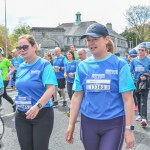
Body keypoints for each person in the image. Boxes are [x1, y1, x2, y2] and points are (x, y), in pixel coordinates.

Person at [66, 22, 135, 150]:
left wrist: (129, 129)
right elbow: (77, 96)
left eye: (95, 39)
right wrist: (71, 124)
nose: (91, 43)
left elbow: (128, 99)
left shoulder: (120, 64)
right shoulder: (82, 66)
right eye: (88, 40)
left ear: (106, 40)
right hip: (88, 123)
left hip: (114, 123)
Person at [15, 34, 57, 150]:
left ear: (34, 47)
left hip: (42, 114)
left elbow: (51, 88)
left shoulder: (44, 64)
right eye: (20, 48)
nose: (22, 50)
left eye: (25, 47)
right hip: (22, 115)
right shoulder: (21, 67)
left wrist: (37, 106)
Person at [130, 45, 150, 125]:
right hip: (135, 82)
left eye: (142, 50)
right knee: (137, 99)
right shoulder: (133, 60)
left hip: (145, 82)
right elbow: (130, 71)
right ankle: (139, 114)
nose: (141, 51)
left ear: (146, 52)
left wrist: (146, 75)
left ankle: (144, 118)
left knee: (143, 100)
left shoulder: (148, 60)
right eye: (139, 50)